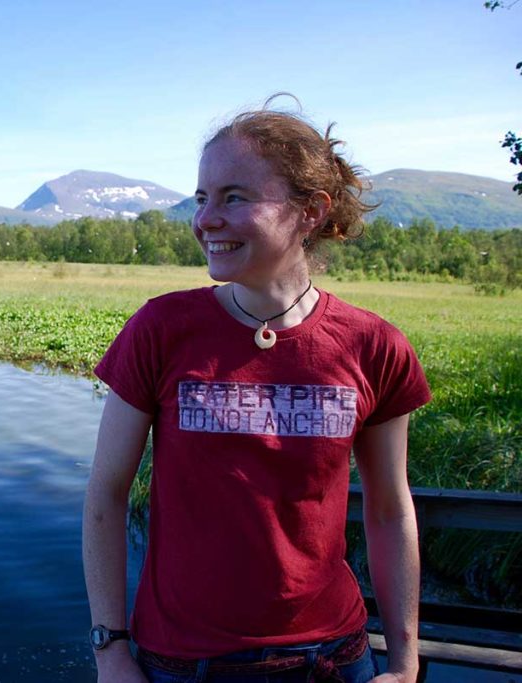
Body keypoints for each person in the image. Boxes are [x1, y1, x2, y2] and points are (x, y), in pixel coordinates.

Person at [82, 97, 431, 683]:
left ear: (311, 212)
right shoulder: (161, 330)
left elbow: (391, 512)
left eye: (234, 197)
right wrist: (110, 650)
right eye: (201, 198)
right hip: (180, 661)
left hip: (333, 659)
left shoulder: (375, 347)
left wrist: (404, 661)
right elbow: (105, 496)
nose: (205, 219)